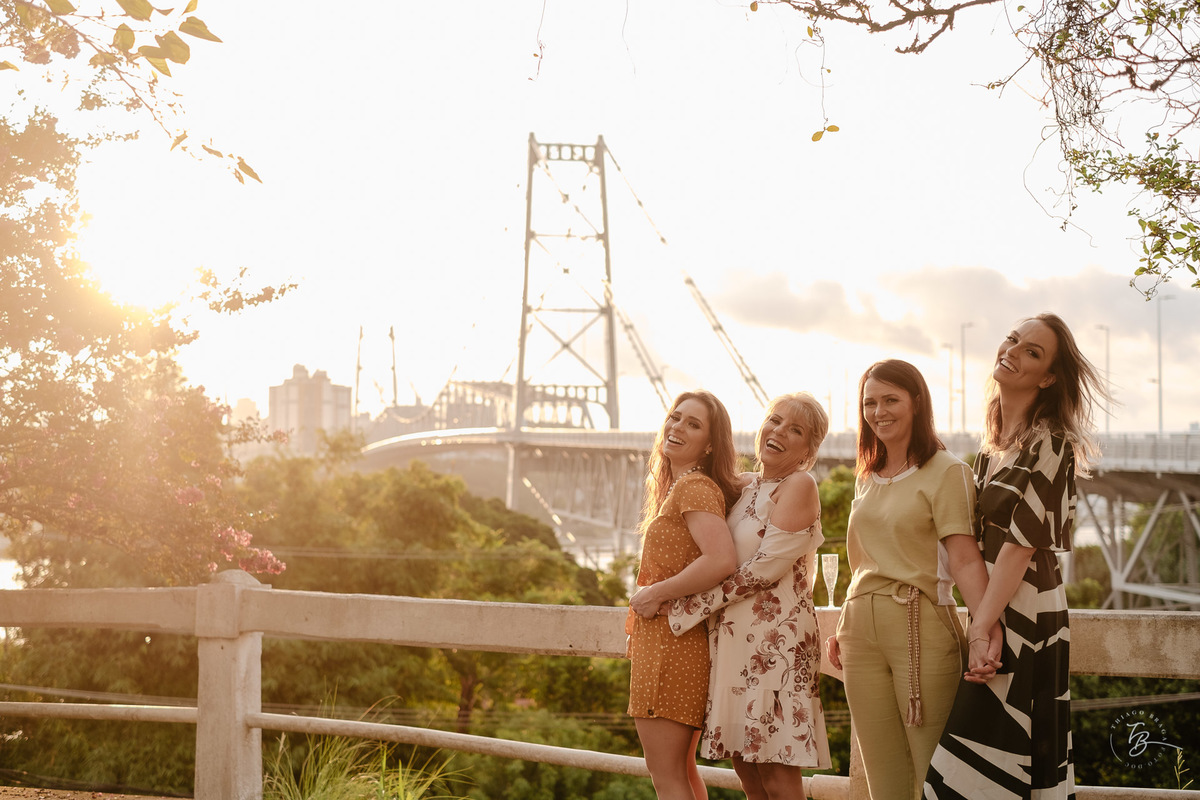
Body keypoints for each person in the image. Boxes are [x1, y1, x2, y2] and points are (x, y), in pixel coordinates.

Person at [924, 314, 1105, 799]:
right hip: (994, 606)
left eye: (1033, 351)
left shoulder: (1051, 443)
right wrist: (983, 620)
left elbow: (1019, 548)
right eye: (1013, 340)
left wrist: (981, 627)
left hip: (1026, 611)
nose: (1014, 350)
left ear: (1047, 377)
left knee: (991, 756)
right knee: (983, 760)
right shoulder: (990, 449)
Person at [825, 359, 997, 800]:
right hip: (859, 632)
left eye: (890, 400)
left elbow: (964, 560)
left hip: (919, 624)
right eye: (869, 402)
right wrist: (845, 621)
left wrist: (982, 630)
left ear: (916, 403)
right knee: (883, 778)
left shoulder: (948, 472)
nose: (878, 411)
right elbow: (862, 559)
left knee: (930, 773)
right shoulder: (867, 474)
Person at [662, 392, 835, 800]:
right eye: (774, 421)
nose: (778, 432)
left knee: (776, 776)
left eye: (795, 430)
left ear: (808, 450)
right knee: (749, 775)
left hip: (777, 647)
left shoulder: (799, 485)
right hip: (734, 644)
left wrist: (680, 608)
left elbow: (759, 573)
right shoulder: (746, 487)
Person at [627, 390, 741, 800]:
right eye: (675, 418)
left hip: (669, 648)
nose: (677, 427)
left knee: (667, 778)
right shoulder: (685, 488)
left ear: (710, 445)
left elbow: (721, 559)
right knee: (682, 773)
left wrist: (654, 593)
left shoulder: (693, 487)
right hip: (675, 645)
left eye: (693, 424)